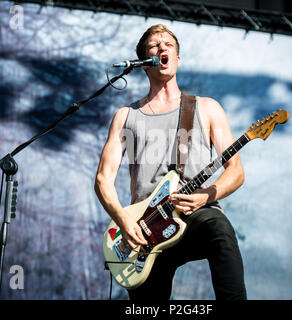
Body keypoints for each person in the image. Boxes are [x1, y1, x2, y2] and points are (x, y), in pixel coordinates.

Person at [94, 24, 246, 300]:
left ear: (178, 59)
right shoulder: (125, 116)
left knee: (219, 230)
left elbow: (236, 171)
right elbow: (103, 178)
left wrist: (206, 195)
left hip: (195, 211)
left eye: (169, 45)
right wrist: (122, 221)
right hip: (143, 228)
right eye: (154, 45)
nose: (162, 48)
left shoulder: (207, 108)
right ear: (144, 63)